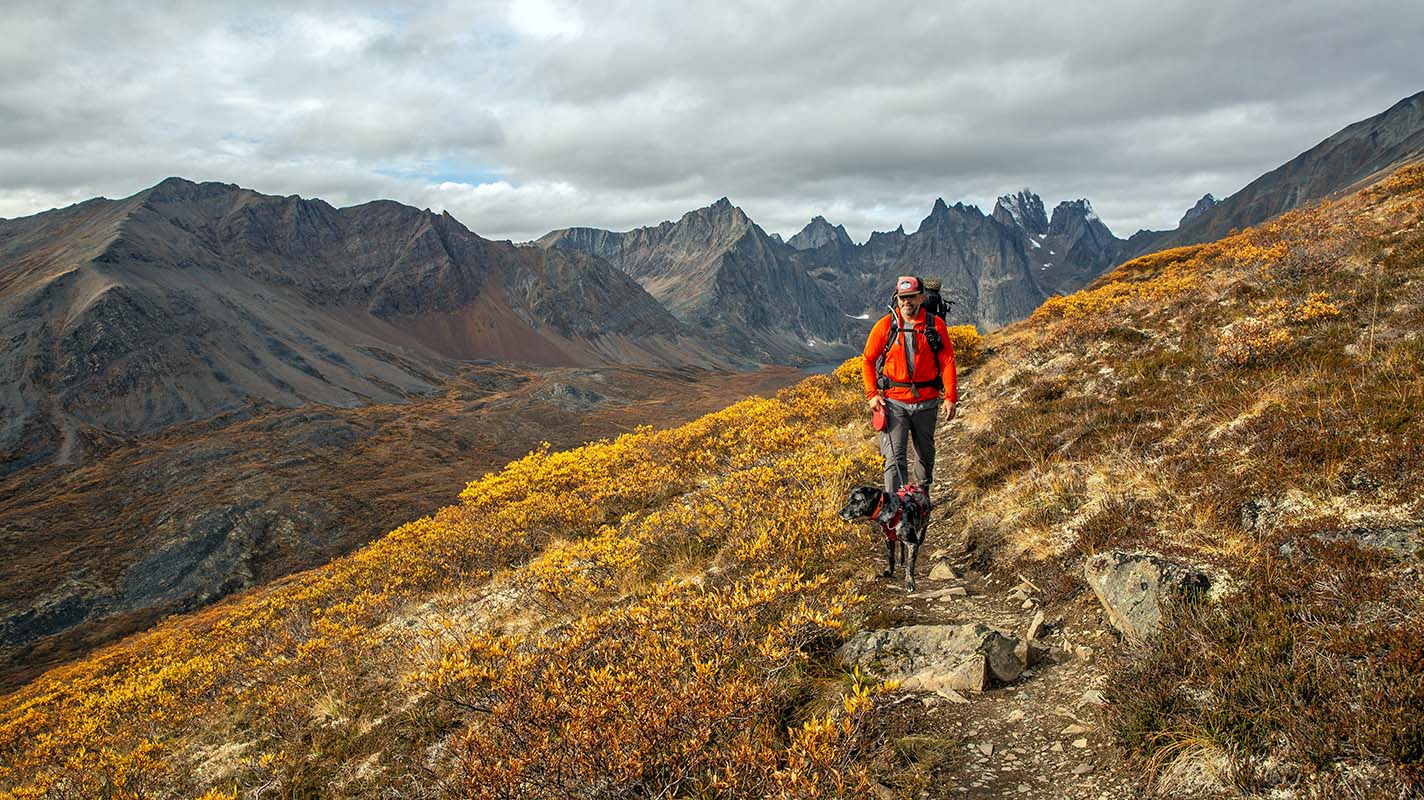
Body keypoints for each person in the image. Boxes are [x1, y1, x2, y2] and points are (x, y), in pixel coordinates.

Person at [862, 275, 958, 499]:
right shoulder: (885, 326)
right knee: (894, 459)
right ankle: (895, 508)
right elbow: (867, 360)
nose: (907, 302)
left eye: (912, 297)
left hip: (927, 402)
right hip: (894, 403)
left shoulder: (936, 325)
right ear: (897, 298)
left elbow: (947, 361)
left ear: (921, 298)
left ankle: (921, 499)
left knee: (925, 455)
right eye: (903, 298)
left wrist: (950, 397)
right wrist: (872, 395)